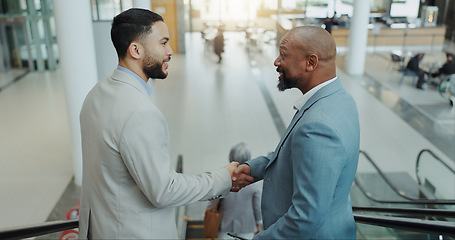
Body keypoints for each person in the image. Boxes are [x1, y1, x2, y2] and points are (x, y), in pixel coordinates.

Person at [78, 9, 238, 239]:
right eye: (163, 43)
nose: (170, 52)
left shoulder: (96, 94)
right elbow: (164, 190)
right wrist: (223, 178)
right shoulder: (140, 113)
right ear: (136, 49)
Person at [232, 26, 360, 239]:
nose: (276, 61)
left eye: (283, 55)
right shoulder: (341, 99)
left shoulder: (317, 126)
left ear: (311, 62)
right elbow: (297, 157)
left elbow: (305, 217)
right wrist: (250, 169)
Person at [206, 143, 262, 240]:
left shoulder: (223, 178)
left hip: (225, 226)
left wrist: (208, 216)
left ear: (231, 157)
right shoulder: (254, 181)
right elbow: (257, 207)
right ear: (249, 158)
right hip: (247, 227)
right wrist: (258, 222)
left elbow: (213, 202)